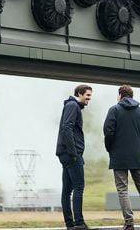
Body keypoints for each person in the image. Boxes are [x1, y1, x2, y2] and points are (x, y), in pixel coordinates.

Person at [103, 85, 140, 230]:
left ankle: (129, 223)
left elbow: (108, 132)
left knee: (122, 190)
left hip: (118, 155)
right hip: (136, 155)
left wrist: (111, 149)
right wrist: (138, 147)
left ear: (120, 95)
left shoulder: (114, 110)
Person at [56, 84, 93, 230]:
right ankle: (79, 223)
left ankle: (70, 224)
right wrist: (73, 153)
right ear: (79, 93)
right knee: (79, 187)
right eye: (87, 95)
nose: (89, 98)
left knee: (67, 190)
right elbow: (67, 128)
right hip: (71, 154)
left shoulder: (71, 106)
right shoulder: (73, 106)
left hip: (65, 153)